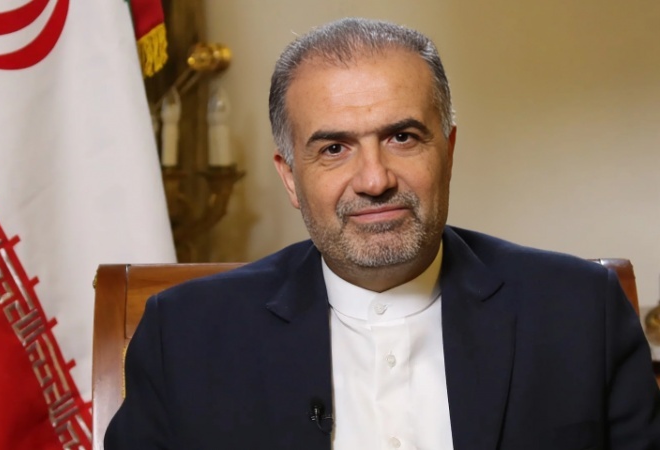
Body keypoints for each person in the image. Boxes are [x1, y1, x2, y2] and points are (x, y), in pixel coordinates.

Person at [105, 17, 660, 449]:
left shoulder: (580, 311)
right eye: (334, 148)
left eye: (402, 137)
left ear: (448, 152)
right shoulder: (184, 335)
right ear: (290, 177)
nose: (374, 180)